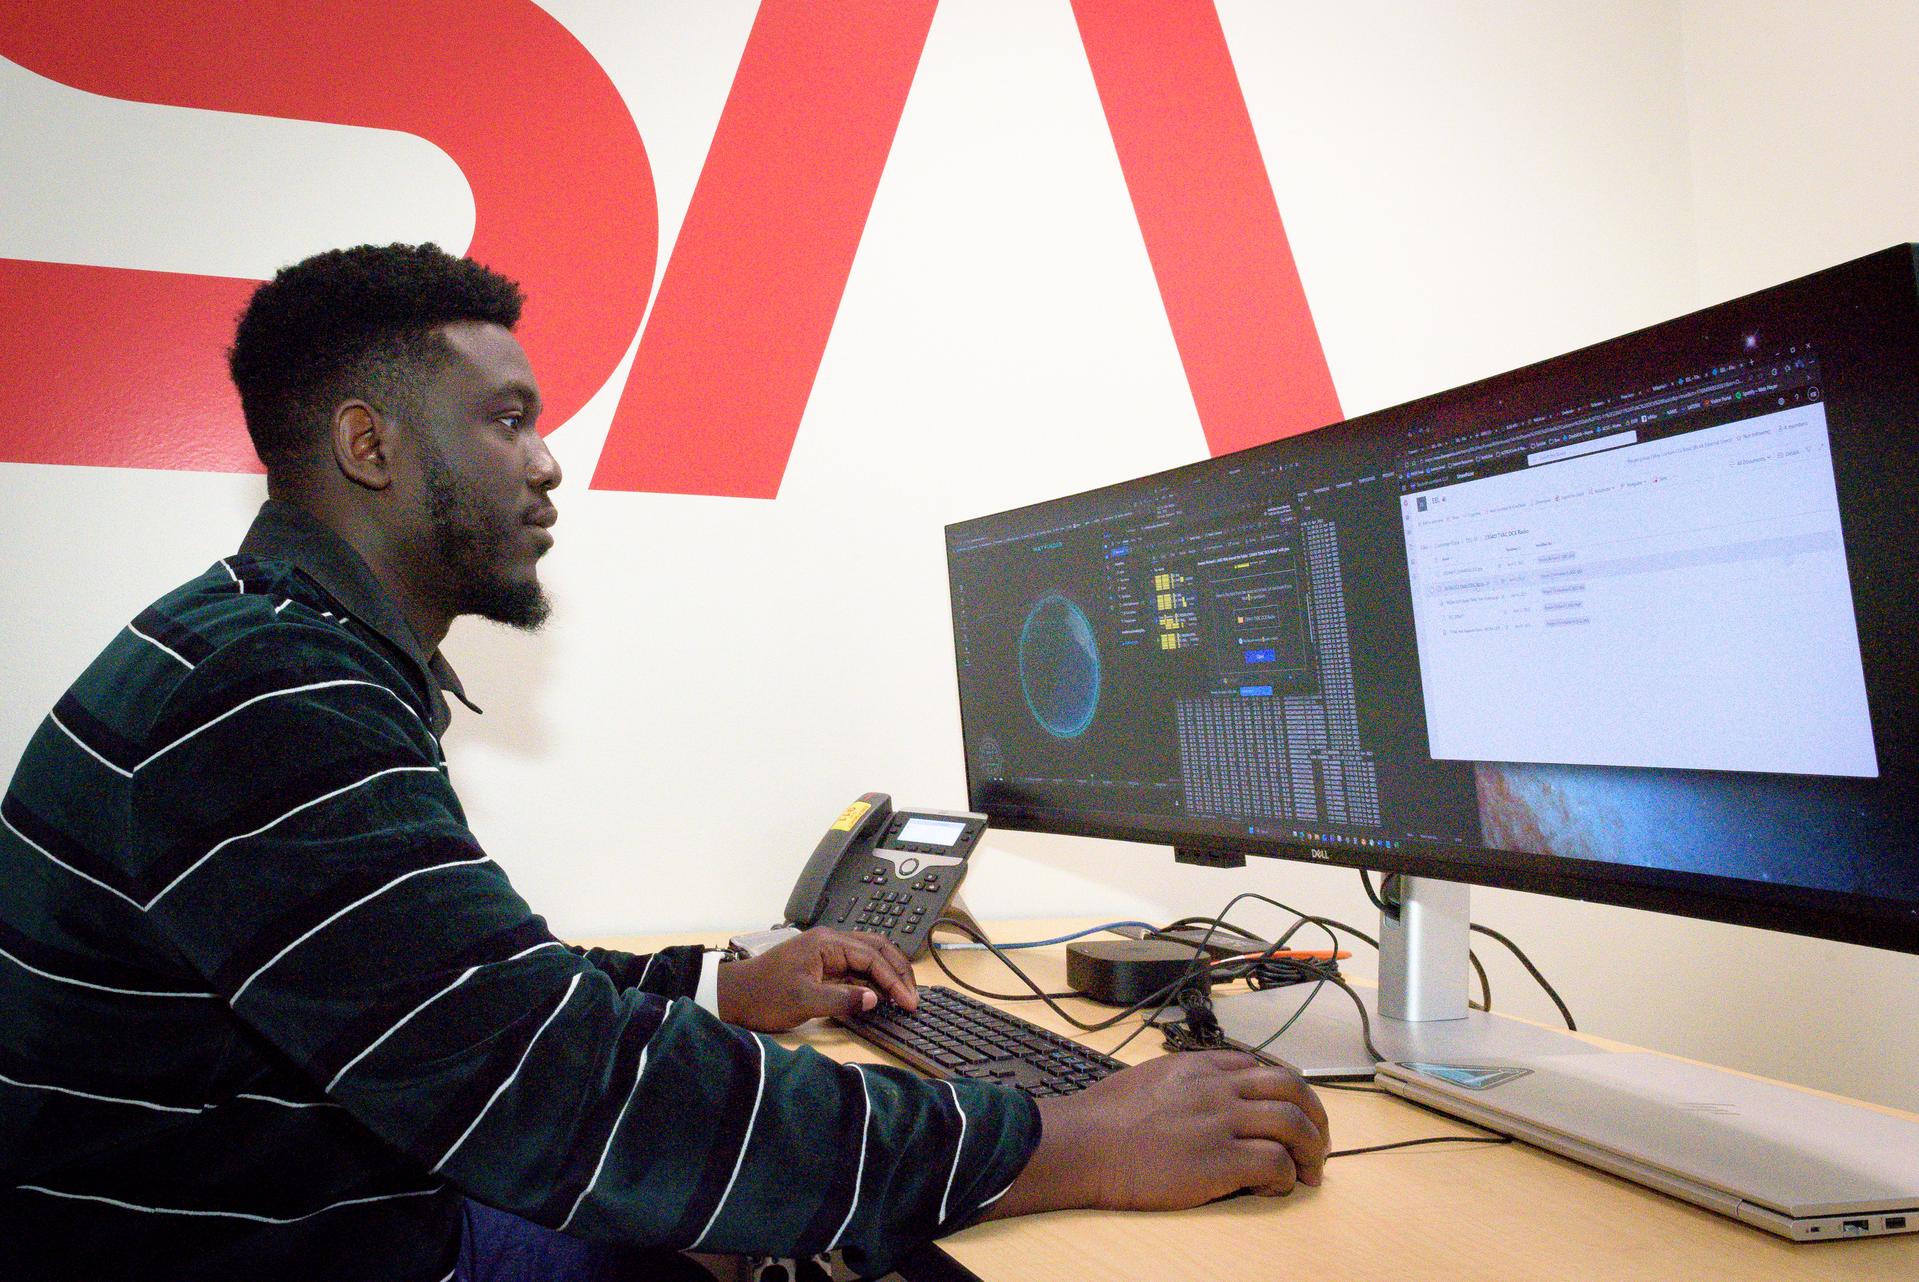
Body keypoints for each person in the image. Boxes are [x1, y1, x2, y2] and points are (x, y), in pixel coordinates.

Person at [0, 243, 1327, 1281]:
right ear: (370, 445)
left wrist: (715, 984)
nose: (549, 461)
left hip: (276, 1218)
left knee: (739, 1216)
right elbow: (565, 1090)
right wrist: (1063, 1141)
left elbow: (450, 991)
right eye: (508, 419)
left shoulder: (255, 645)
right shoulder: (270, 696)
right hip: (276, 1255)